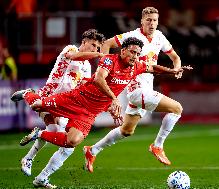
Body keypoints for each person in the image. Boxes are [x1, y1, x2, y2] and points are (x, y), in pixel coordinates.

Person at [17, 37, 190, 173]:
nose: (135, 56)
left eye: (137, 53)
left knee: (72, 141)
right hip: (73, 99)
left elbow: (152, 68)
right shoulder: (108, 59)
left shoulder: (135, 65)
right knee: (37, 105)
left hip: (87, 112)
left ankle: (39, 139)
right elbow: (99, 79)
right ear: (123, 51)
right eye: (132, 52)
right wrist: (114, 98)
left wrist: (172, 70)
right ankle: (27, 93)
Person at [83, 6, 191, 172]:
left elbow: (175, 57)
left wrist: (177, 69)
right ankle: (157, 146)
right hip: (137, 90)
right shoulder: (132, 36)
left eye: (155, 20)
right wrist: (106, 66)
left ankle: (92, 150)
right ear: (142, 21)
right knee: (177, 108)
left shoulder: (159, 37)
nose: (152, 23)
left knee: (127, 130)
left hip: (146, 88)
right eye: (148, 20)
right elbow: (106, 44)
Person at [11, 29, 105, 188]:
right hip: (48, 98)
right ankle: (28, 95)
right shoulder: (71, 49)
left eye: (97, 48)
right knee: (55, 132)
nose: (94, 49)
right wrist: (100, 55)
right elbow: (73, 57)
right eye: (93, 45)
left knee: (67, 146)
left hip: (65, 105)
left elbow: (84, 85)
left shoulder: (87, 66)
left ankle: (40, 174)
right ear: (83, 42)